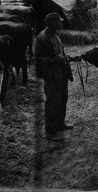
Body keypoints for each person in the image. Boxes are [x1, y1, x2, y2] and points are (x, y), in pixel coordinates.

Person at [34, 12, 75, 141]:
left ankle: (60, 124)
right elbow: (37, 59)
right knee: (52, 102)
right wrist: (53, 60)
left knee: (63, 99)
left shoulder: (55, 34)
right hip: (52, 75)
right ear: (52, 24)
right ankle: (50, 131)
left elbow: (60, 52)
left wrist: (68, 58)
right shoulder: (42, 38)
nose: (62, 23)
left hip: (61, 72)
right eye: (59, 22)